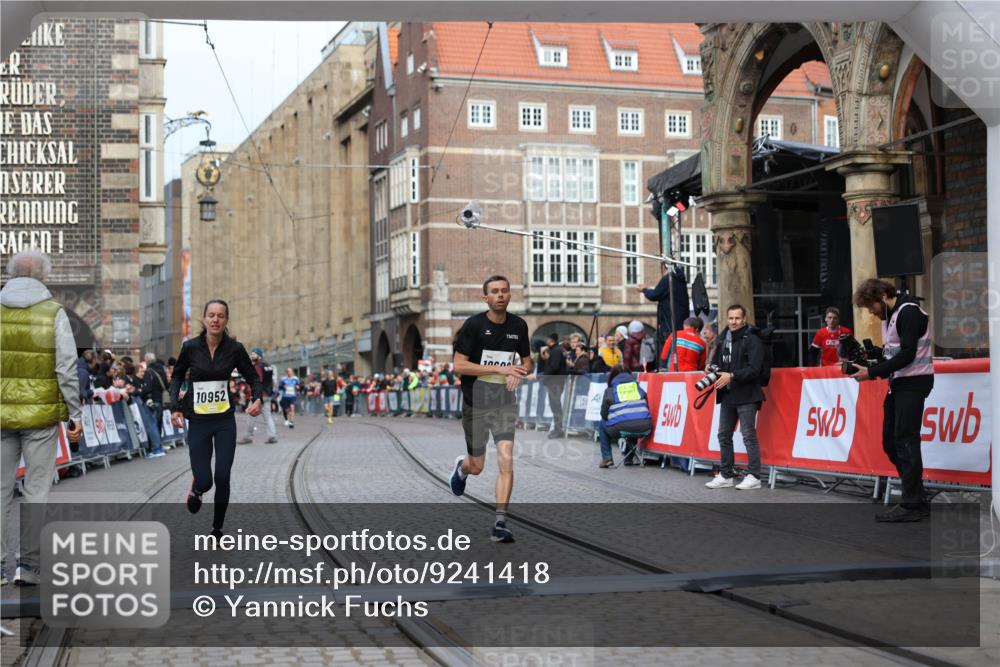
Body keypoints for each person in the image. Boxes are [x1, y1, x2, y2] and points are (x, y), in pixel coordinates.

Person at [1, 250, 83, 585]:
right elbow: (65, 367)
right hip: (41, 417)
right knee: (36, 491)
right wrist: (74, 413)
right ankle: (29, 565)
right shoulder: (54, 313)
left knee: (1, 490)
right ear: (43, 276)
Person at [169, 299, 262, 537]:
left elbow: (252, 377)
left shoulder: (235, 349)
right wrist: (175, 407)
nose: (215, 320)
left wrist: (257, 398)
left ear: (226, 320)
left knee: (222, 476)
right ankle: (197, 489)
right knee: (206, 480)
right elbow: (177, 376)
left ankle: (217, 528)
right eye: (211, 315)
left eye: (220, 316)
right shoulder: (190, 347)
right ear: (204, 318)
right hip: (198, 421)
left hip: (224, 421)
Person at [449, 275, 531, 543]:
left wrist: (519, 372)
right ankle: (462, 467)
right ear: (485, 298)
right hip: (475, 403)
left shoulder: (519, 326)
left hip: (504, 402)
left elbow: (528, 362)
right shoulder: (474, 325)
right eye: (494, 292)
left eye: (505, 291)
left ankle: (500, 522)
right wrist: (499, 368)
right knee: (478, 466)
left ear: (510, 295)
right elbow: (459, 366)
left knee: (506, 460)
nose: (500, 295)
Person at [851, 279, 934, 522]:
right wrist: (876, 355)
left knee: (906, 440)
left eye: (871, 306)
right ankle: (915, 494)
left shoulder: (909, 312)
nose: (871, 312)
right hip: (899, 383)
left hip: (913, 383)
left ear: (883, 295)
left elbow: (909, 354)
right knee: (891, 442)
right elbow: (897, 352)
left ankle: (912, 503)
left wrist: (871, 373)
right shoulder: (894, 314)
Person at [705, 304, 765, 491]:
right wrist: (711, 369)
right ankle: (726, 475)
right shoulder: (724, 339)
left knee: (748, 436)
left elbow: (755, 369)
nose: (733, 322)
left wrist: (731, 375)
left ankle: (754, 476)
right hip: (728, 394)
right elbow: (716, 363)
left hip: (747, 394)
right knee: (723, 435)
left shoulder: (753, 339)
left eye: (737, 318)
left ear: (744, 319)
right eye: (730, 318)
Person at [597, 365, 653, 468]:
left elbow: (603, 415)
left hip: (621, 428)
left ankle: (607, 458)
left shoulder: (610, 390)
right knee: (634, 420)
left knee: (602, 424)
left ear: (612, 377)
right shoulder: (638, 388)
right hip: (645, 427)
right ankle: (629, 458)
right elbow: (647, 407)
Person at [639, 263, 688, 362]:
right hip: (679, 323)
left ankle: (664, 367)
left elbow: (654, 295)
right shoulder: (680, 280)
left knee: (663, 346)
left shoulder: (668, 279)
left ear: (663, 267)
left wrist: (644, 289)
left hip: (669, 324)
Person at [238, 348, 277, 444]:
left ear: (259, 355)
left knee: (250, 415)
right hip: (267, 394)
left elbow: (257, 380)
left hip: (259, 395)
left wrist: (256, 395)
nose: (251, 355)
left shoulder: (258, 365)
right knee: (268, 416)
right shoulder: (268, 365)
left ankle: (248, 437)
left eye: (253, 354)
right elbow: (271, 381)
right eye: (251, 354)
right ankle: (272, 436)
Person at [138, 352, 168, 458]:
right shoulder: (162, 370)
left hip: (151, 401)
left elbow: (147, 388)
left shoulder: (148, 372)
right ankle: (159, 446)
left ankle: (156, 449)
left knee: (152, 425)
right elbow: (166, 384)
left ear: (146, 361)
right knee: (158, 424)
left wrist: (140, 392)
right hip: (160, 400)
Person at [540, 333, 568, 439]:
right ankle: (558, 429)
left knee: (556, 407)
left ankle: (558, 429)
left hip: (555, 382)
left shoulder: (556, 350)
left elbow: (554, 367)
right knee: (555, 407)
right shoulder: (556, 350)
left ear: (550, 339)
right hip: (555, 381)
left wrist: (545, 377)